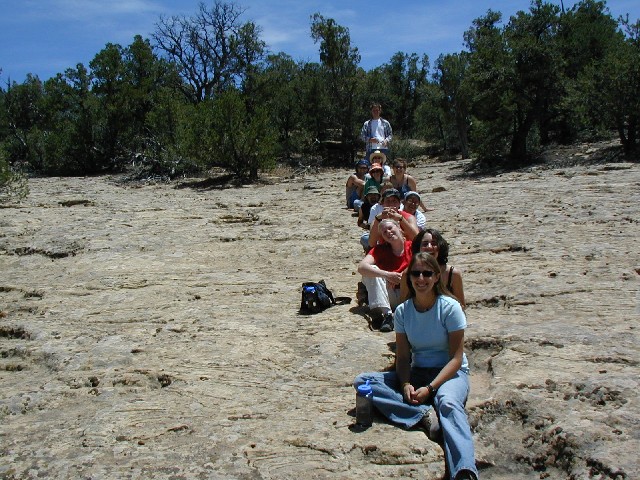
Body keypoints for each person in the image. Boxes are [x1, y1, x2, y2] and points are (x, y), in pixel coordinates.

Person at [354, 253, 479, 480]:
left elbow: (456, 358)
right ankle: (422, 414)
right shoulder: (403, 311)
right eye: (415, 273)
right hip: (418, 371)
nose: (421, 279)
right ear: (409, 277)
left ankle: (464, 470)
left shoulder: (450, 308)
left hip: (450, 373)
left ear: (436, 277)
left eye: (427, 273)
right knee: (364, 382)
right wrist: (405, 384)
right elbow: (403, 356)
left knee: (448, 403)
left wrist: (430, 389)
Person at [357, 219, 412, 332]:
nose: (388, 232)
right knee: (373, 270)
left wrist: (402, 277)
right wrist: (387, 275)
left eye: (390, 228)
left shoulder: (413, 247)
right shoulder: (379, 250)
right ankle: (388, 315)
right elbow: (362, 267)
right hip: (388, 294)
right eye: (384, 232)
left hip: (408, 293)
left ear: (399, 228)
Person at [400, 229, 466, 309]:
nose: (429, 247)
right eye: (425, 244)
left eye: (434, 244)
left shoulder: (453, 274)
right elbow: (403, 305)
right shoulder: (407, 274)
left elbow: (461, 306)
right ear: (418, 248)